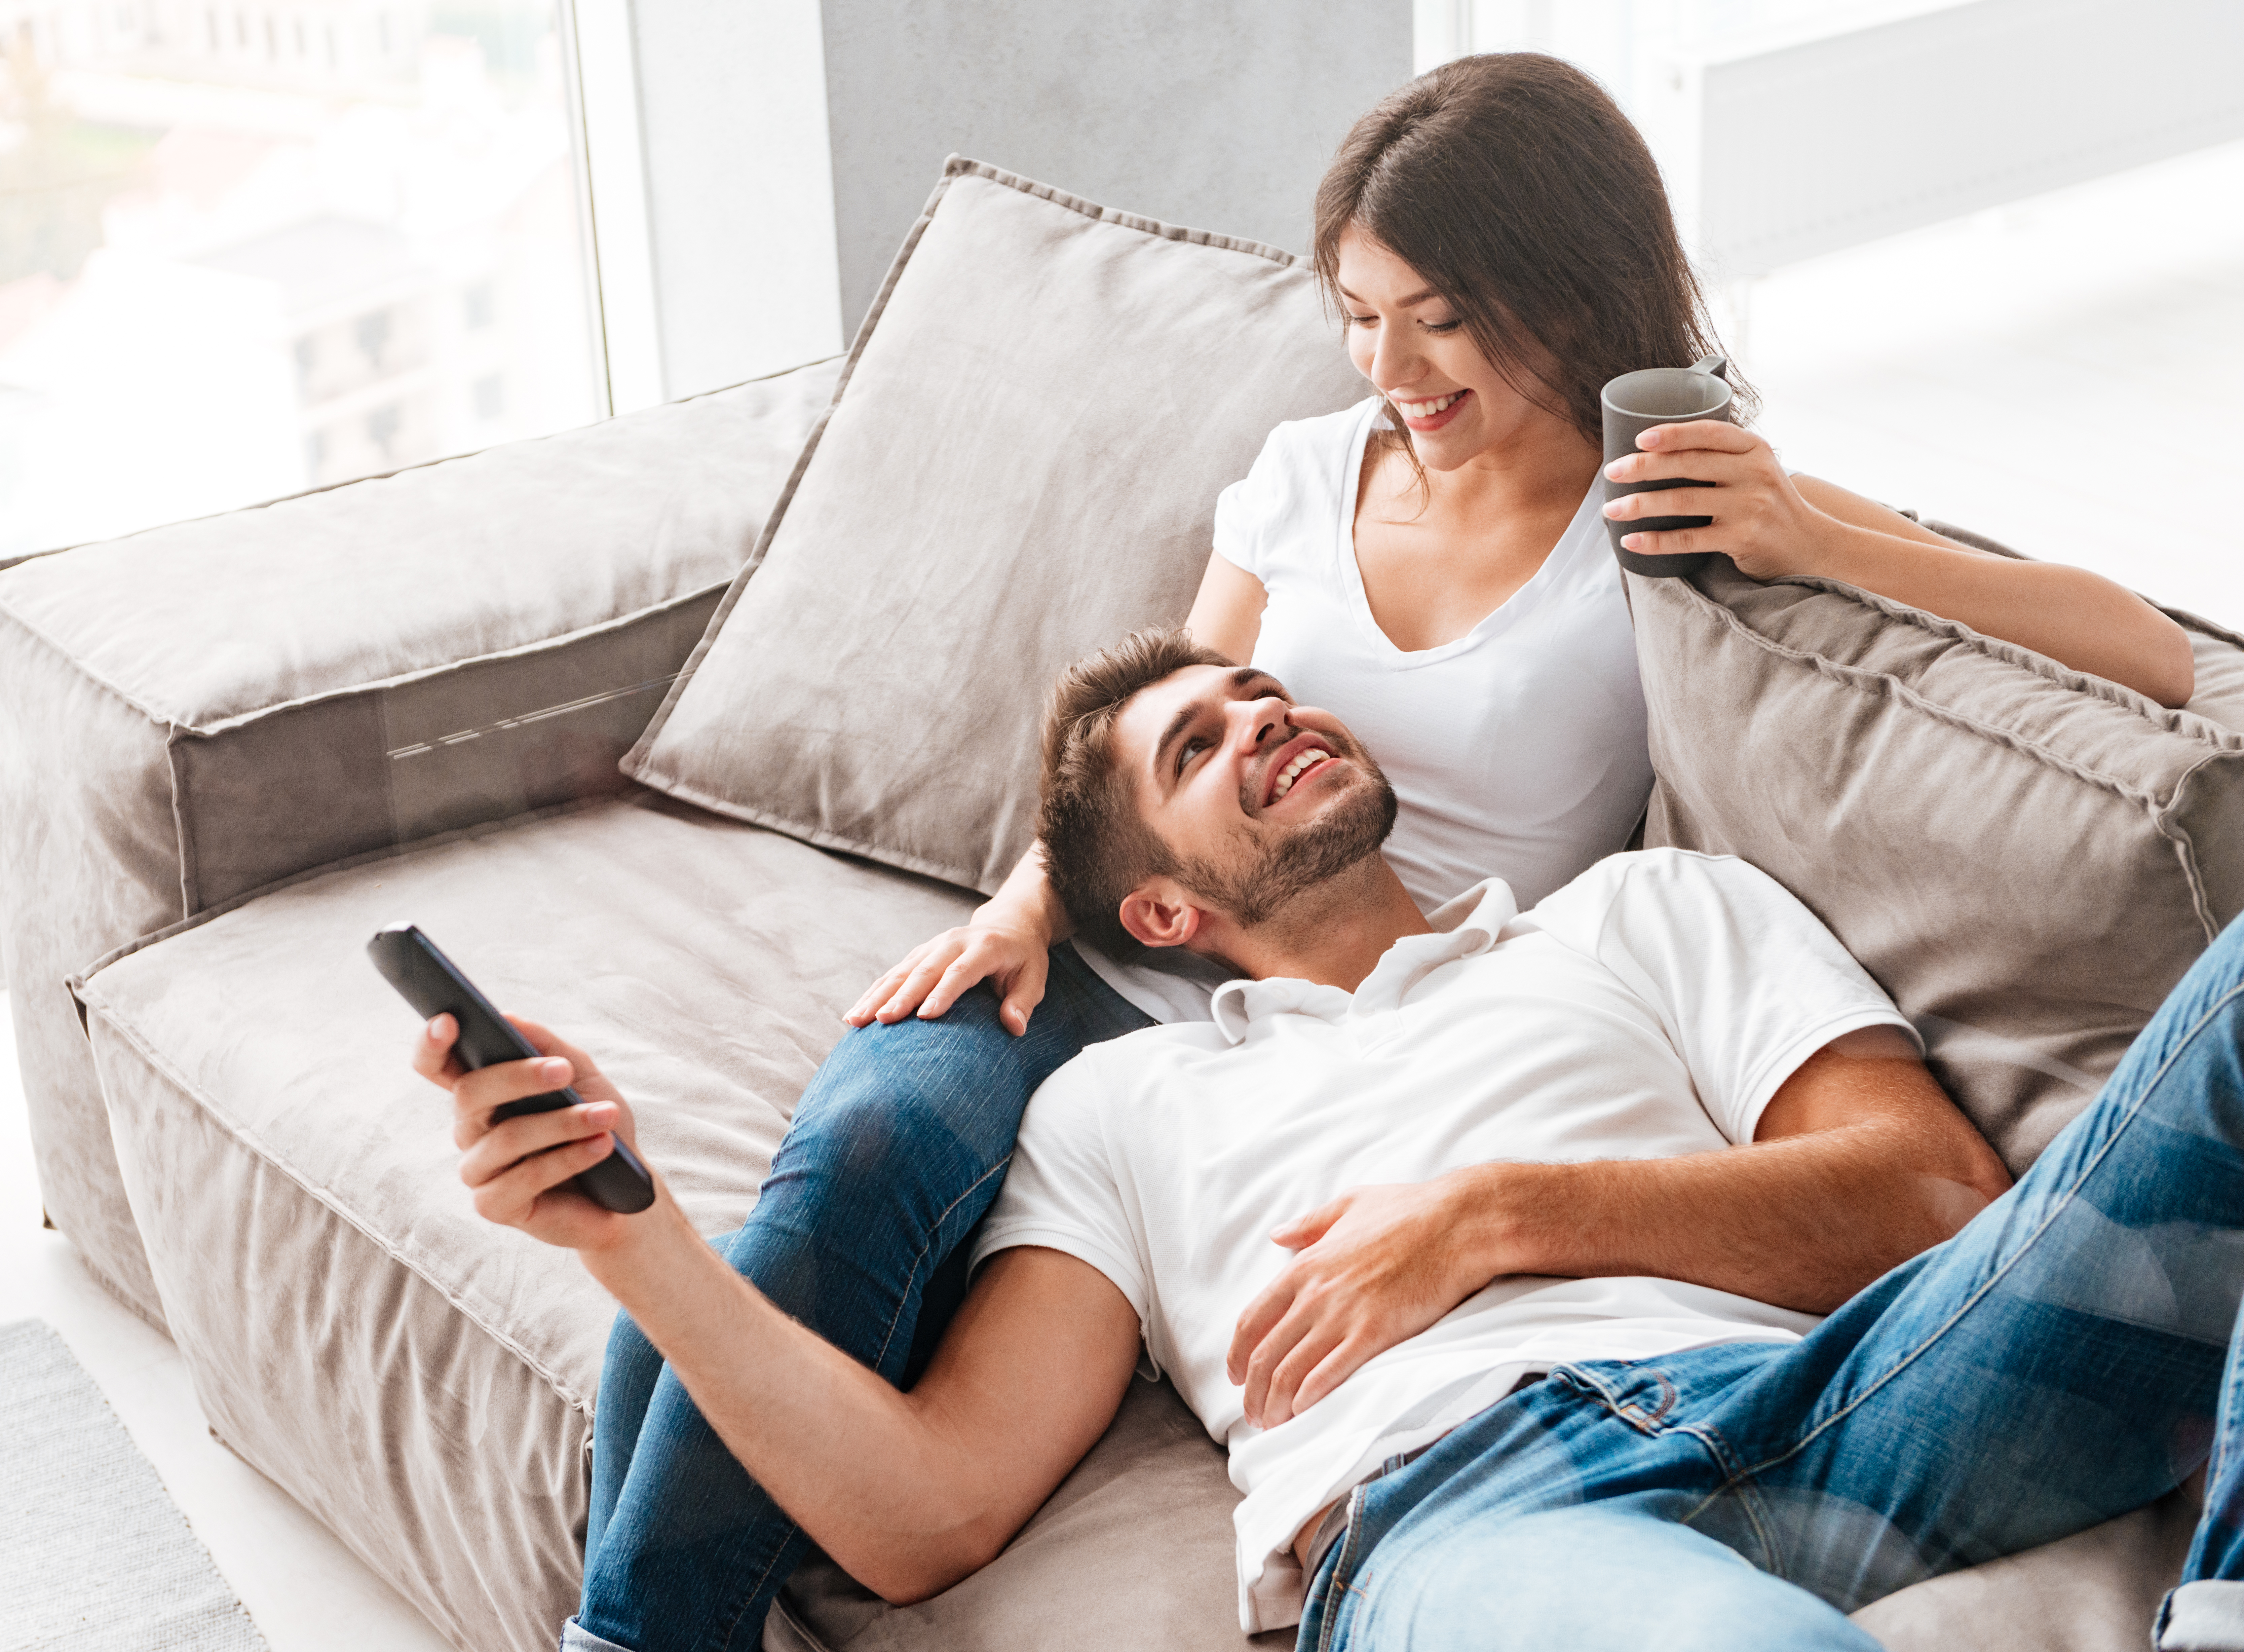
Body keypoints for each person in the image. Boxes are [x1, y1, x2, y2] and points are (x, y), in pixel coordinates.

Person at [563, 54, 2200, 1652]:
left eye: (1437, 314)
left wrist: (1808, 535)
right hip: (1213, 1030)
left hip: (1549, 1090)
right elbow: (1161, 717)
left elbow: (2143, 662)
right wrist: (1025, 908)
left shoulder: (1656, 613)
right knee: (839, 1177)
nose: (1391, 365)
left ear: (1565, 289)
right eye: (1359, 313)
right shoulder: (1302, 492)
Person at [423, 632, 2244, 1652]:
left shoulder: (1648, 911)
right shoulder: (1121, 1109)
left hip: (1865, 1393)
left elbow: (1934, 1199)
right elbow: (926, 1513)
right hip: (1472, 1508)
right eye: (1199, 747)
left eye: (1261, 695)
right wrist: (627, 1236)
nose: (1266, 720)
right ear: (1159, 919)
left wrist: (1496, 1216)